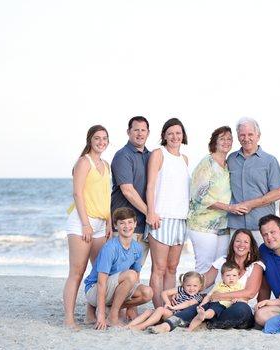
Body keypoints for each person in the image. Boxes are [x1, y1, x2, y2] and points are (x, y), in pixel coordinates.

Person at [63, 125, 111, 329]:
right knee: (77, 271)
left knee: (99, 271)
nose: (101, 142)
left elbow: (107, 196)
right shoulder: (84, 162)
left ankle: (90, 314)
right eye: (97, 138)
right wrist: (85, 224)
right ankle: (68, 319)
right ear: (90, 140)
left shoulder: (106, 165)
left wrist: (109, 221)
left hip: (101, 223)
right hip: (82, 222)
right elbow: (78, 194)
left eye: (104, 138)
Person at [83, 207, 153, 329]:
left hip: (115, 289)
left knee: (147, 293)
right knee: (131, 275)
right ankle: (112, 316)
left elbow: (136, 276)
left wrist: (131, 308)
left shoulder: (137, 248)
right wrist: (100, 313)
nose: (127, 226)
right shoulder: (110, 248)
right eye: (122, 223)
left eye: (130, 222)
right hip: (94, 290)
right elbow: (101, 281)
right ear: (116, 226)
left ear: (135, 224)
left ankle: (111, 310)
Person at [145, 118, 190, 308]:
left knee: (172, 268)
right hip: (161, 218)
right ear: (164, 135)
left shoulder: (184, 159)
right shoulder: (158, 154)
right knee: (159, 268)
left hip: (181, 219)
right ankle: (157, 309)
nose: (174, 137)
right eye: (170, 133)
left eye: (178, 133)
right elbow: (150, 186)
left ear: (183, 135)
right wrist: (151, 212)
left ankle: (168, 308)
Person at [227, 117, 280, 245]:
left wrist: (250, 204)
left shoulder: (270, 161)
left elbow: (277, 193)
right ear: (237, 137)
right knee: (236, 264)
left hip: (262, 226)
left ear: (258, 135)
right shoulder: (230, 159)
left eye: (250, 134)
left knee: (262, 263)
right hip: (236, 225)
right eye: (242, 135)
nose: (246, 138)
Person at [188, 126, 234, 275]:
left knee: (220, 267)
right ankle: (195, 299)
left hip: (224, 225)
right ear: (214, 142)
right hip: (203, 225)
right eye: (222, 138)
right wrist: (228, 208)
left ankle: (212, 299)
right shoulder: (206, 163)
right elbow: (199, 196)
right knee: (204, 267)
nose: (226, 142)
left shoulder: (228, 165)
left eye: (229, 139)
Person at [201, 228, 265, 329]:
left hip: (240, 309)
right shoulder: (222, 261)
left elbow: (250, 292)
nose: (241, 245)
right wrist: (181, 289)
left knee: (241, 308)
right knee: (197, 303)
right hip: (216, 306)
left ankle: (209, 322)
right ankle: (173, 321)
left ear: (250, 247)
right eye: (238, 241)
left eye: (246, 242)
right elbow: (204, 281)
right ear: (233, 243)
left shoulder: (256, 265)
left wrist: (220, 296)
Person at [110, 116, 152, 267]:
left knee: (135, 272)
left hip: (143, 226)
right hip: (125, 225)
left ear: (148, 133)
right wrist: (150, 213)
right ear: (128, 132)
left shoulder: (151, 156)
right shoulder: (123, 155)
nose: (140, 134)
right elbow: (127, 190)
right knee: (119, 272)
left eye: (143, 130)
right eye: (136, 130)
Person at [127, 271, 204, 331]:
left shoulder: (198, 297)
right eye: (188, 285)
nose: (191, 288)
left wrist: (174, 307)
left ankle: (141, 326)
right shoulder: (181, 289)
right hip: (171, 312)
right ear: (183, 284)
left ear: (200, 286)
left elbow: (188, 303)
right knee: (149, 311)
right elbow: (164, 293)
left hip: (179, 317)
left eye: (195, 286)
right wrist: (168, 302)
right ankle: (129, 326)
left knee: (160, 309)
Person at [187, 262, 244, 331]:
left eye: (234, 275)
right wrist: (202, 304)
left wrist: (237, 300)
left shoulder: (240, 286)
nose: (231, 278)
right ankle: (190, 328)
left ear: (238, 276)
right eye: (228, 275)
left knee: (211, 311)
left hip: (221, 305)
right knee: (199, 312)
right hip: (211, 302)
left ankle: (204, 315)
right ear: (222, 277)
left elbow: (244, 300)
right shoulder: (219, 284)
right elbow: (209, 295)